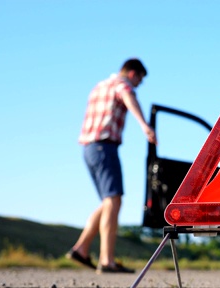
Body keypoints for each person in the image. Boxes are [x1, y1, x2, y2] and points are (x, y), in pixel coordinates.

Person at [66, 58, 157, 273]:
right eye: (140, 81)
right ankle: (107, 261)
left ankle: (81, 249)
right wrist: (145, 126)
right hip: (104, 147)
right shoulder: (122, 84)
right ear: (134, 74)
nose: (138, 85)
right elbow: (128, 97)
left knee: (109, 202)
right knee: (114, 200)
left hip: (89, 149)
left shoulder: (99, 86)